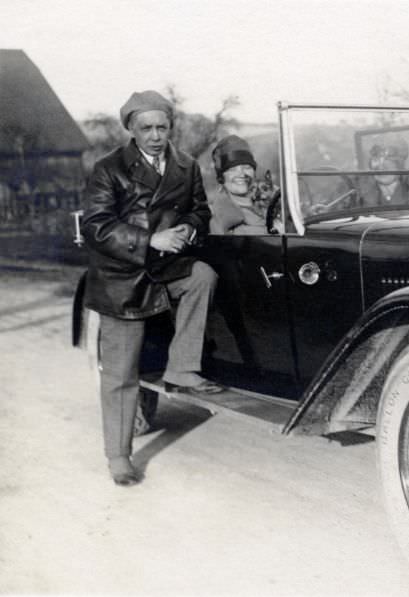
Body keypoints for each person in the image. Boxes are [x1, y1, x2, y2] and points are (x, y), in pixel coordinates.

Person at [81, 90, 223, 487]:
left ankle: (182, 369)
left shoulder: (186, 164)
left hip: (169, 265)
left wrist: (187, 229)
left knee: (202, 276)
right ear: (131, 128)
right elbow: (95, 226)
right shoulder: (109, 168)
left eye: (163, 126)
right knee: (121, 374)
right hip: (122, 277)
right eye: (147, 128)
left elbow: (200, 208)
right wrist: (150, 241)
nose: (156, 135)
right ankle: (119, 456)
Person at [209, 135, 277, 235]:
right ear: (221, 177)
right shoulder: (219, 212)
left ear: (254, 172)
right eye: (232, 169)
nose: (241, 174)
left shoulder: (275, 198)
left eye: (247, 167)